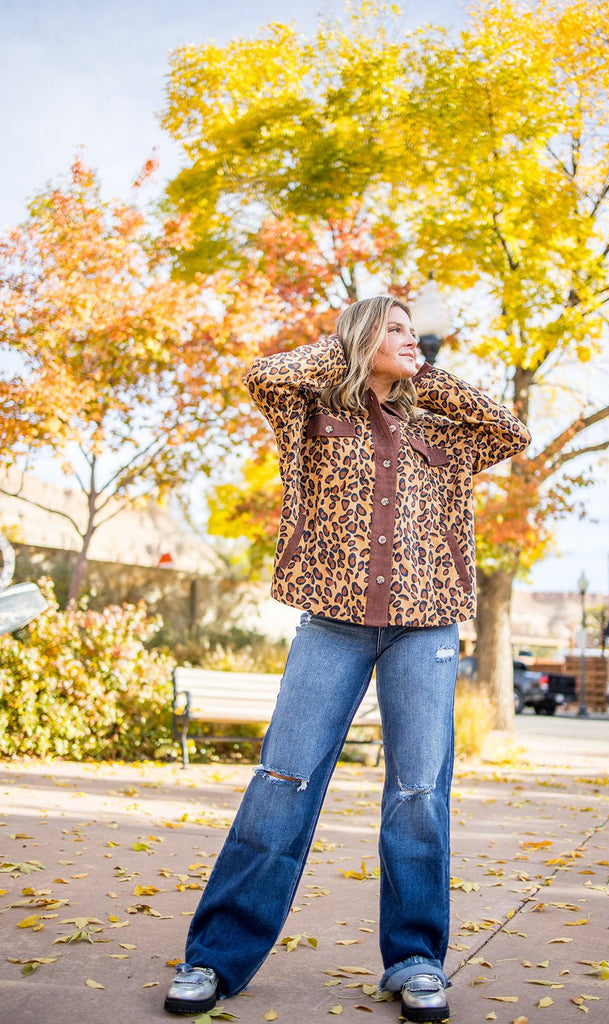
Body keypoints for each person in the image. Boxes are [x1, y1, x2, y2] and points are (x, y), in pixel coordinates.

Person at [164, 295, 531, 1022]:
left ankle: (417, 959)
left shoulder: (443, 426)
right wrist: (354, 354)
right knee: (282, 778)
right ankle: (214, 958)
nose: (410, 339)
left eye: (412, 329)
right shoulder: (309, 411)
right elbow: (261, 374)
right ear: (359, 338)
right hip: (330, 624)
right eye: (391, 328)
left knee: (418, 794)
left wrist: (423, 371)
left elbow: (511, 430)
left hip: (424, 626)